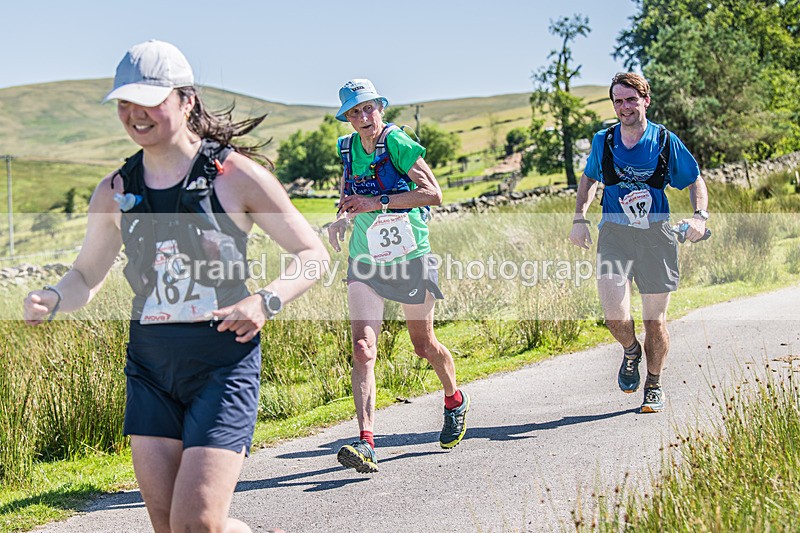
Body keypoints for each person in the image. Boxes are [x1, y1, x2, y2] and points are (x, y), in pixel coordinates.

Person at [23, 40, 326, 533]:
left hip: (222, 363)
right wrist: (55, 298)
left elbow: (313, 256)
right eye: (125, 102)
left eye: (149, 100)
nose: (134, 114)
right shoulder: (116, 190)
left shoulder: (234, 176)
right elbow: (86, 276)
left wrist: (265, 301)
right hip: (151, 366)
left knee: (200, 522)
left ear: (186, 100)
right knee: (170, 528)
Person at [327, 79, 469, 473]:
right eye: (354, 112)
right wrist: (340, 220)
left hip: (410, 257)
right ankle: (366, 442)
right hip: (365, 261)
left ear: (380, 108)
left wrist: (379, 201)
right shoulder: (347, 149)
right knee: (362, 348)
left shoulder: (399, 143)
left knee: (423, 345)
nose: (362, 117)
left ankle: (454, 399)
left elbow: (433, 193)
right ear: (348, 118)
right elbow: (347, 198)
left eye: (368, 108)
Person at [568, 72, 709, 414]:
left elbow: (695, 180)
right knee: (615, 318)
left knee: (654, 322)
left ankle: (654, 384)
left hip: (656, 237)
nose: (625, 107)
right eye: (618, 101)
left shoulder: (664, 140)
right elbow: (589, 177)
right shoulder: (604, 141)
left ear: (645, 100)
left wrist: (699, 216)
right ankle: (631, 351)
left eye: (631, 99)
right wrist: (580, 218)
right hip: (614, 234)